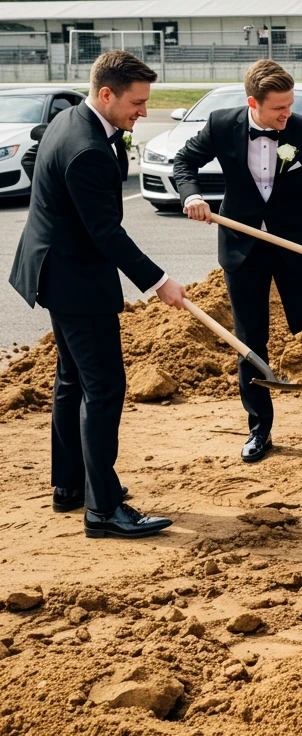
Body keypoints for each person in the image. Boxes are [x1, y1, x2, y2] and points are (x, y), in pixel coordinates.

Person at [9, 50, 184, 539]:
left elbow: (37, 157)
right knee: (104, 388)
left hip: (55, 272)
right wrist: (159, 282)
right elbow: (106, 233)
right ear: (106, 94)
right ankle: (103, 510)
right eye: (137, 102)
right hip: (77, 281)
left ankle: (70, 487)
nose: (144, 112)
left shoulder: (69, 120)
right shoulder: (86, 147)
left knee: (73, 382)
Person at [174, 60, 302, 464]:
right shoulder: (221, 124)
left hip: (296, 247)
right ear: (252, 102)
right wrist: (192, 196)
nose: (287, 114)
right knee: (250, 342)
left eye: (290, 106)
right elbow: (183, 163)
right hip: (242, 248)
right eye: (278, 109)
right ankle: (260, 429)